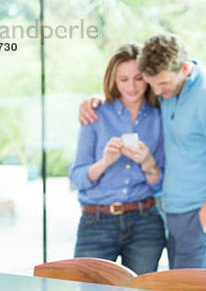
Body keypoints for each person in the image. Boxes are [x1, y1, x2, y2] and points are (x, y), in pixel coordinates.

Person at [80, 33, 206, 270]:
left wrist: (202, 221)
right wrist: (94, 100)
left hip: (204, 216)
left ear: (185, 69)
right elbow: (128, 97)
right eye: (152, 84)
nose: (157, 92)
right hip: (177, 217)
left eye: (163, 83)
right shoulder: (170, 92)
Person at [70, 43, 166, 275]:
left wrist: (147, 162)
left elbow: (160, 183)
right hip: (97, 221)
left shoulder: (159, 117)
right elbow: (77, 179)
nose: (131, 86)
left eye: (138, 78)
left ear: (148, 78)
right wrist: (105, 162)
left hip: (145, 221)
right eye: (123, 79)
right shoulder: (95, 115)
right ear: (113, 80)